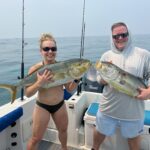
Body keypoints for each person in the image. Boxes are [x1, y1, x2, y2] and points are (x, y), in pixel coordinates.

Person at [92, 22, 150, 150]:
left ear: (129, 35)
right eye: (116, 36)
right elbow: (98, 79)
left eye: (124, 34)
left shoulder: (143, 55)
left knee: (134, 140)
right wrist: (105, 78)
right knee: (99, 132)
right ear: (111, 37)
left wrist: (148, 92)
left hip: (133, 112)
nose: (120, 38)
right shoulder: (106, 56)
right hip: (108, 108)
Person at [26, 33, 80, 150]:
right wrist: (39, 83)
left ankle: (64, 148)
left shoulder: (63, 66)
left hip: (59, 105)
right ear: (41, 51)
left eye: (53, 48)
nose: (50, 51)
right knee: (36, 138)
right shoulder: (34, 69)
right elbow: (28, 93)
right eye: (46, 49)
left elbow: (70, 89)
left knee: (63, 131)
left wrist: (76, 78)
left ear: (56, 50)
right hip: (42, 106)